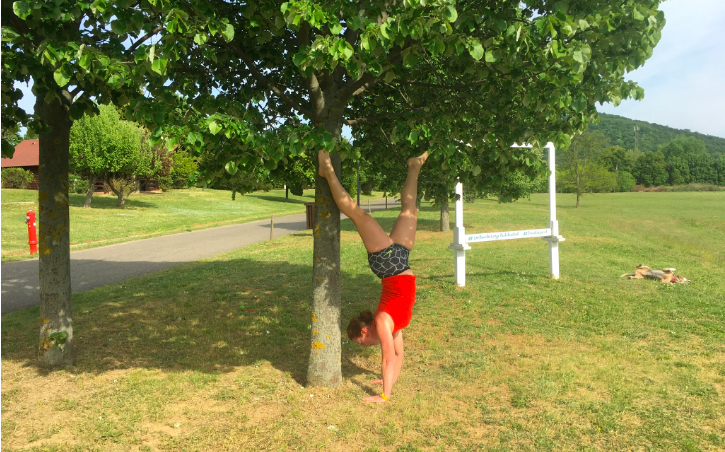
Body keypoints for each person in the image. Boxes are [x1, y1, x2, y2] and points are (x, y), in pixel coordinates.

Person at [317, 149, 428, 403]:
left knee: (358, 214)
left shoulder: (382, 322)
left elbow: (387, 358)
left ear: (364, 332)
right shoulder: (392, 327)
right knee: (410, 208)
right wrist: (388, 382)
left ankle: (328, 172)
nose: (363, 346)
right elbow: (397, 356)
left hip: (387, 264)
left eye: (360, 342)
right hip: (401, 260)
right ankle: (414, 167)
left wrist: (384, 396)